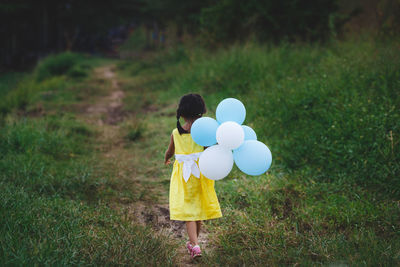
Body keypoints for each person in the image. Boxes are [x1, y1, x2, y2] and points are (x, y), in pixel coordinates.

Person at [164, 93, 222, 260]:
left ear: (181, 113)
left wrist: (167, 158)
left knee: (190, 211)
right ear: (202, 112)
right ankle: (194, 243)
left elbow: (170, 151)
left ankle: (194, 245)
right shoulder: (205, 133)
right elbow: (214, 148)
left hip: (184, 177)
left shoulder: (176, 133)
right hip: (201, 175)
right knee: (197, 210)